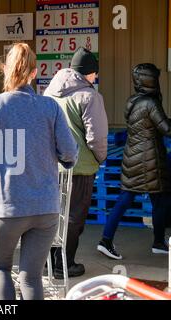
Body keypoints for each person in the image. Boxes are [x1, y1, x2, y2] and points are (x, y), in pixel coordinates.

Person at [0, 43, 78, 300]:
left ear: (6, 71)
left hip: (9, 207)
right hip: (46, 208)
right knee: (31, 277)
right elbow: (70, 154)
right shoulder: (50, 107)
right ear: (34, 73)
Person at [44, 47, 108, 279]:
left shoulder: (49, 94)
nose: (96, 78)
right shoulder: (90, 96)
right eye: (94, 73)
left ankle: (48, 262)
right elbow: (97, 137)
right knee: (74, 217)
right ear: (88, 73)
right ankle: (64, 264)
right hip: (80, 168)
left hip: (51, 166)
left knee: (53, 214)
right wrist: (100, 158)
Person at [97, 63, 171, 259]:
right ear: (150, 80)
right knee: (160, 200)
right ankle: (155, 242)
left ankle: (155, 242)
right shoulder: (150, 103)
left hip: (133, 157)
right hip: (149, 161)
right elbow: (166, 128)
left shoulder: (134, 101)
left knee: (130, 200)